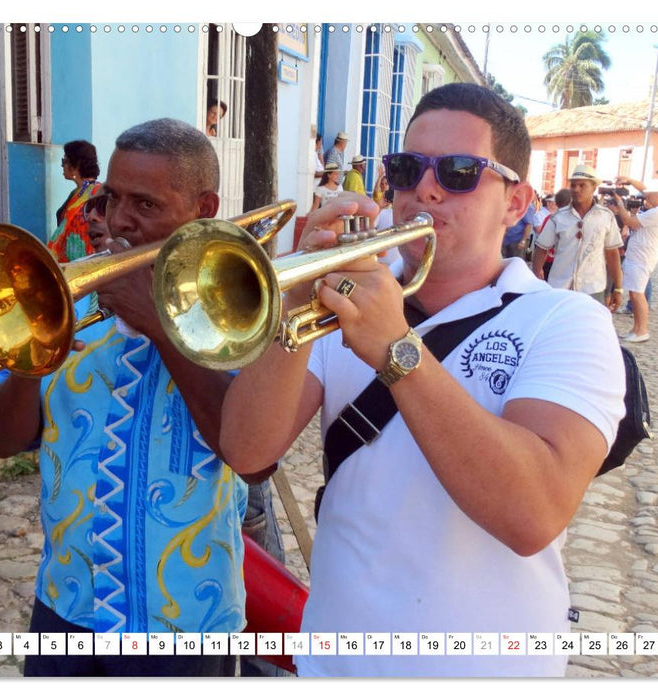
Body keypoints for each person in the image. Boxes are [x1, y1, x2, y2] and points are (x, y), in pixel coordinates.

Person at [218, 83, 625, 677]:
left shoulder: (564, 320)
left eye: (460, 172)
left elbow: (532, 513)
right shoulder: (342, 303)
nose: (424, 190)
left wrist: (395, 349)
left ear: (516, 204)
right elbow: (247, 449)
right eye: (406, 169)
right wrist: (297, 293)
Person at [0, 118, 254, 677]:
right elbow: (2, 440)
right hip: (66, 605)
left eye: (147, 205)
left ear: (204, 209)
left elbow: (250, 452)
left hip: (184, 625)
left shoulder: (244, 312)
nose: (119, 220)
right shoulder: (67, 298)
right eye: (112, 198)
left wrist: (156, 324)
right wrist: (36, 353)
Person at [532, 164, 624, 311]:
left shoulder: (606, 217)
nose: (576, 189)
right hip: (560, 286)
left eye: (582, 185)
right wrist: (536, 278)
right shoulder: (558, 217)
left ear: (593, 187)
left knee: (589, 330)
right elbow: (541, 248)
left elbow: (612, 253)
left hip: (592, 287)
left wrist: (618, 288)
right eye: (573, 185)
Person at [608, 176, 658, 343]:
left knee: (638, 294)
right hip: (639, 256)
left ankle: (642, 329)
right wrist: (630, 181)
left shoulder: (657, 212)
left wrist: (620, 204)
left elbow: (629, 221)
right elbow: (644, 189)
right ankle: (636, 329)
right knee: (635, 292)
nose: (646, 196)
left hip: (641, 257)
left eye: (650, 194)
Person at [46, 140, 102, 263]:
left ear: (76, 164)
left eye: (64, 161)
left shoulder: (97, 192)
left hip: (84, 265)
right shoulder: (78, 192)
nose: (62, 166)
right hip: (69, 263)